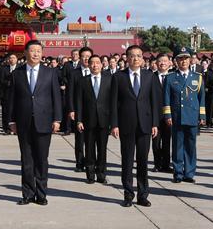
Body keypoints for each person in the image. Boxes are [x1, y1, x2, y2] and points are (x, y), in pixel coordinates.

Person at [8, 40, 61, 205]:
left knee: (42, 159)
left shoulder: (50, 73)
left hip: (44, 121)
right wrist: (11, 121)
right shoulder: (17, 73)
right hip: (23, 122)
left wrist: (57, 119)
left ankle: (41, 194)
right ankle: (27, 194)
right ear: (25, 53)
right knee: (26, 159)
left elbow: (56, 98)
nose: (36, 54)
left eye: (39, 51)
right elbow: (11, 100)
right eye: (32, 51)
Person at [110, 45, 160, 208]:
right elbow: (114, 103)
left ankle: (143, 194)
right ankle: (128, 194)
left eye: (139, 56)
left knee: (143, 161)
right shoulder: (118, 77)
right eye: (132, 56)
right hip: (126, 124)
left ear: (142, 58)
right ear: (127, 58)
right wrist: (114, 124)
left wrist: (155, 123)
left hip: (145, 125)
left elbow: (155, 102)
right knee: (127, 161)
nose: (136, 59)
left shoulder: (150, 76)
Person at [162, 46, 205, 184]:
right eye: (180, 59)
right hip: (177, 116)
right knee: (177, 146)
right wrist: (167, 116)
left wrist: (202, 116)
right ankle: (178, 172)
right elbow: (166, 98)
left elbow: (201, 98)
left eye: (186, 58)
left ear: (190, 60)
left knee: (191, 146)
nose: (184, 61)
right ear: (176, 61)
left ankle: (189, 173)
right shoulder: (170, 78)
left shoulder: (197, 77)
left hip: (192, 116)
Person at [75, 54, 112, 184]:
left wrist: (113, 122)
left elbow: (113, 102)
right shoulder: (82, 81)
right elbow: (78, 101)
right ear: (88, 65)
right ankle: (90, 174)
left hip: (104, 120)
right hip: (88, 120)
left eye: (97, 63)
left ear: (102, 65)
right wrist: (79, 120)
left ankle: (101, 174)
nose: (95, 65)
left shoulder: (109, 79)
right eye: (92, 63)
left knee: (102, 149)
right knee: (89, 148)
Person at [67, 46, 93, 171]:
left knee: (91, 138)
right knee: (80, 138)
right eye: (84, 56)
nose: (86, 59)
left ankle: (90, 162)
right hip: (79, 110)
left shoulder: (97, 72)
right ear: (79, 57)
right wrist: (71, 109)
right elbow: (70, 93)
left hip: (92, 111)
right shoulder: (74, 73)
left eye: (88, 56)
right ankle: (79, 162)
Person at [151, 53, 173, 173]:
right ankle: (157, 164)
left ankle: (166, 165)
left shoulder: (174, 77)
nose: (163, 63)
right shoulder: (150, 77)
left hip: (169, 116)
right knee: (155, 142)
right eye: (160, 61)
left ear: (170, 63)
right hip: (154, 115)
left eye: (165, 61)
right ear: (156, 63)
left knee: (167, 141)